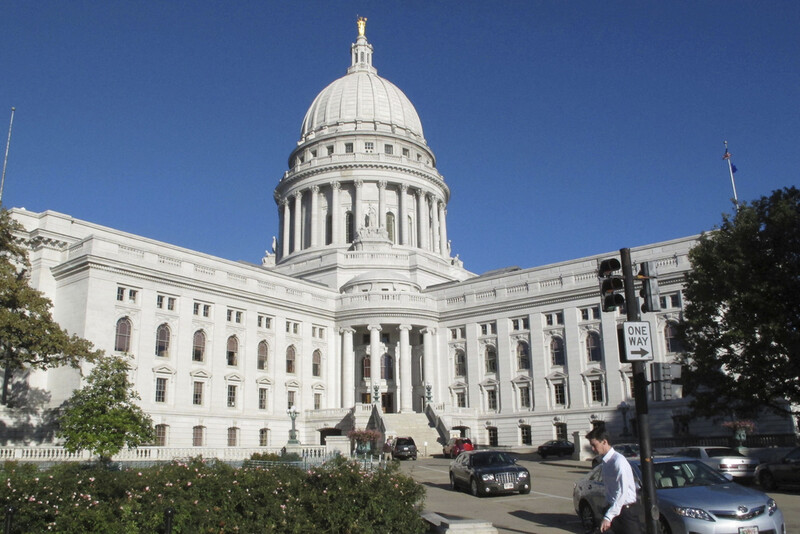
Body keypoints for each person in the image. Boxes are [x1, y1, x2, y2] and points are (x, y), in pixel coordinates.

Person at [585, 428, 640, 533]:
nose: (593, 449)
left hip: (625, 513)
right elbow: (610, 489)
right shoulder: (606, 462)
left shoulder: (618, 461)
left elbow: (622, 491)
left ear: (604, 442)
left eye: (594, 445)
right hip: (613, 509)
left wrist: (609, 516)